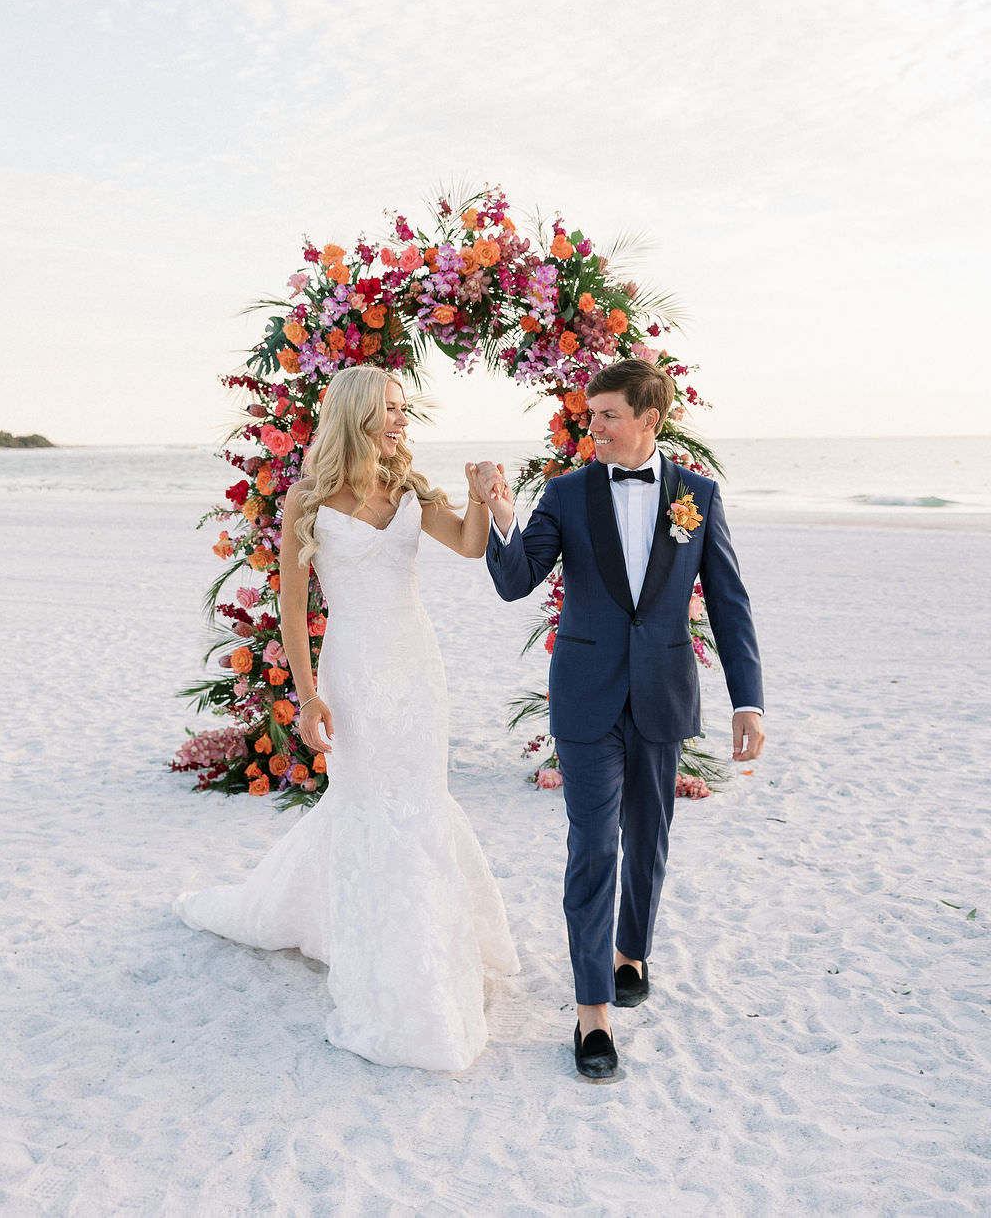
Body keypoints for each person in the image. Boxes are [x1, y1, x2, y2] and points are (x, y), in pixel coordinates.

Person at [174, 365, 518, 1071]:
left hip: (417, 666)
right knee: (364, 802)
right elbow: (293, 608)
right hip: (353, 667)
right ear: (356, 412)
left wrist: (484, 498)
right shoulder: (308, 497)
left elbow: (473, 543)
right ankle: (368, 943)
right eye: (390, 408)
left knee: (419, 801)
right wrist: (307, 693)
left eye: (403, 407)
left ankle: (429, 943)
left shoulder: (412, 487)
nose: (401, 418)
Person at [475, 357, 763, 1080]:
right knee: (594, 843)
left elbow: (728, 602)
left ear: (648, 421)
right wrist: (502, 516)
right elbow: (517, 582)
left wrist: (748, 698)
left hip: (662, 692)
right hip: (585, 696)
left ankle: (631, 950)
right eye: (589, 412)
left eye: (606, 414)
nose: (591, 426)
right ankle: (591, 1012)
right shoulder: (567, 494)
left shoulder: (697, 495)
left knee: (649, 839)